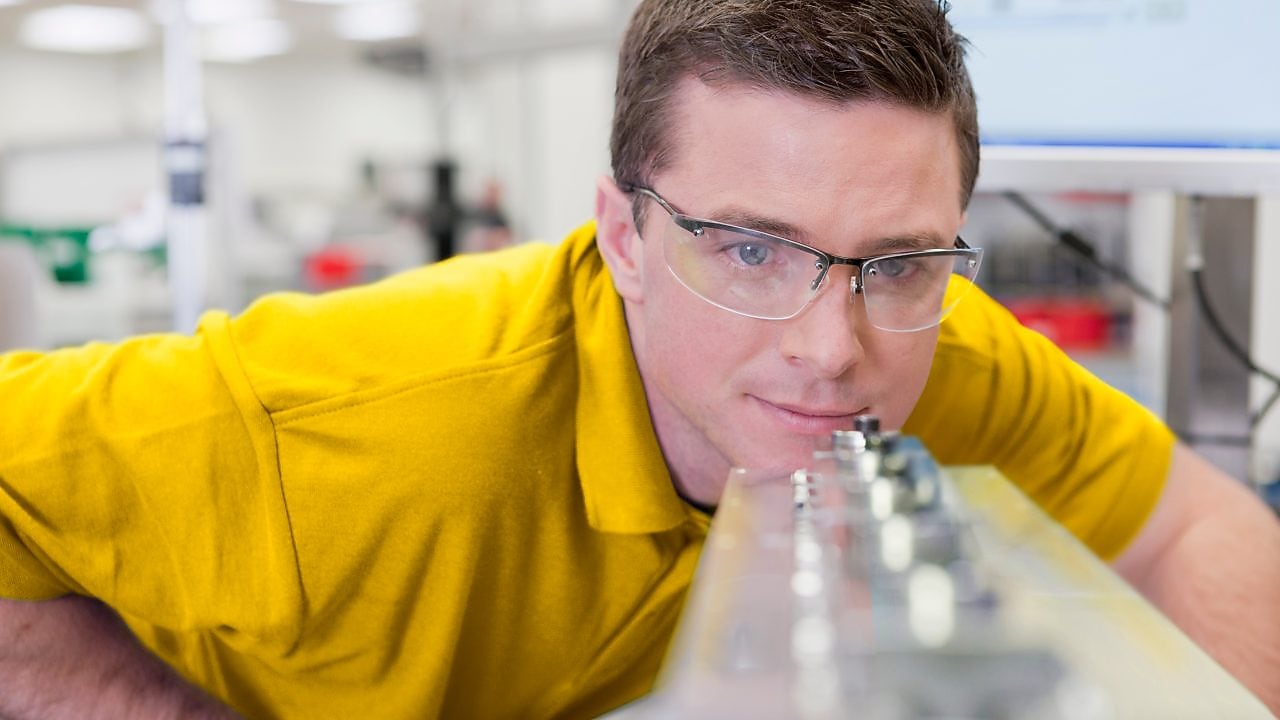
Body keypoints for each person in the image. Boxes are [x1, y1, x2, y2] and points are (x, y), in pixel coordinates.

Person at [1, 1, 1278, 717]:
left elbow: (1195, 528)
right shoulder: (355, 421)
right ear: (621, 232)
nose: (829, 351)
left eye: (894, 260)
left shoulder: (936, 343)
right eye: (747, 251)